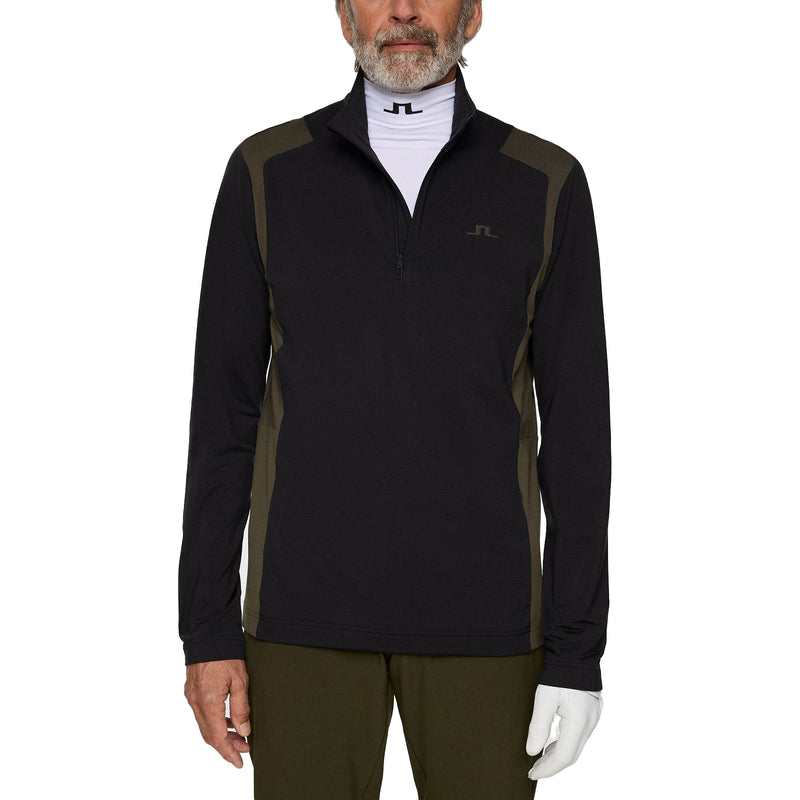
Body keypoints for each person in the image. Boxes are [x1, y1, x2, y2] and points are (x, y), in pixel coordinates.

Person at [179, 1, 611, 797]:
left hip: (489, 623)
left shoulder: (545, 181)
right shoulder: (266, 172)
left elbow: (579, 438)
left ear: (472, 14)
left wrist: (578, 652)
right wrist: (206, 631)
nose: (405, 9)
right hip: (299, 620)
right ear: (344, 14)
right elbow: (222, 420)